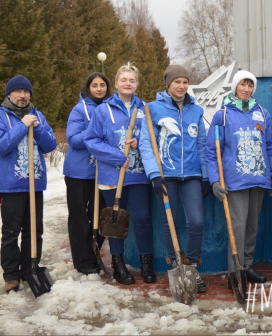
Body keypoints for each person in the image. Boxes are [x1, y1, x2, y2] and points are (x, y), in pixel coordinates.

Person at [205, 70, 272, 289]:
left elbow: (270, 146)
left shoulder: (262, 113)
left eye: (250, 85)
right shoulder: (223, 114)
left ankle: (247, 265)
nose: (246, 89)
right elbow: (212, 151)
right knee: (237, 226)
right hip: (234, 180)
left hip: (258, 178)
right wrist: (214, 180)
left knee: (251, 226)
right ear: (235, 87)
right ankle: (235, 271)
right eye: (242, 84)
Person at [139, 64, 210, 293]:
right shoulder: (152, 109)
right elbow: (146, 145)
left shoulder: (196, 111)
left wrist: (205, 177)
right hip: (165, 176)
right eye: (177, 82)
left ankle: (192, 264)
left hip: (191, 175)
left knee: (197, 222)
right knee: (171, 222)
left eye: (185, 82)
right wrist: (154, 174)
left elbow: (201, 144)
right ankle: (176, 263)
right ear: (168, 84)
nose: (181, 86)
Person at [85, 63, 155, 285]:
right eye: (123, 80)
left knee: (142, 218)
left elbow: (154, 138)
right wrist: (117, 155)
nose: (128, 83)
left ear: (136, 84)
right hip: (112, 176)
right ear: (115, 84)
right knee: (115, 221)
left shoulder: (145, 108)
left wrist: (140, 142)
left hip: (139, 175)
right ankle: (119, 265)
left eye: (132, 80)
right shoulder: (102, 110)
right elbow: (91, 140)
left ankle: (146, 264)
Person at [0, 75, 57, 293]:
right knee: (10, 232)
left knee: (34, 231)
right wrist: (22, 125)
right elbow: (0, 147)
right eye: (18, 92)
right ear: (9, 94)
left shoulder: (38, 115)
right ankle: (11, 275)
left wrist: (35, 126)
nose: (22, 95)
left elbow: (49, 145)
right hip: (10, 186)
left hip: (34, 184)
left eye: (26, 92)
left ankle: (30, 268)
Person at [63, 72, 113, 275]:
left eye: (102, 85)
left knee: (101, 216)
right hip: (78, 173)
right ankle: (82, 261)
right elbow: (73, 139)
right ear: (88, 88)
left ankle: (93, 252)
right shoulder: (80, 109)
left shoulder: (111, 108)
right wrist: (94, 128)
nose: (99, 89)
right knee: (79, 218)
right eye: (94, 85)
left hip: (102, 172)